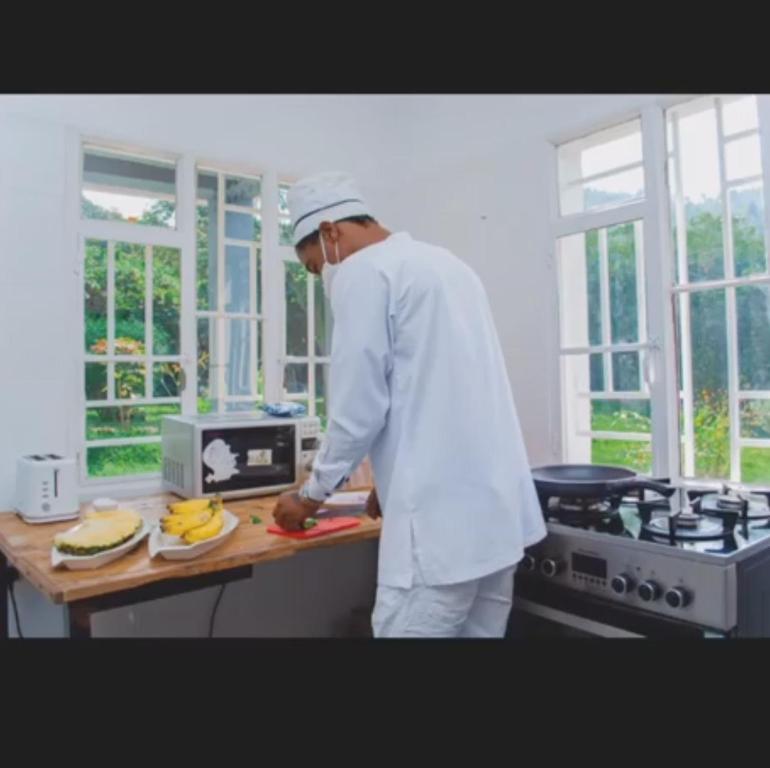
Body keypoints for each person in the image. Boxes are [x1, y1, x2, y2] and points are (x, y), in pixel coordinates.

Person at [272, 171, 546, 638]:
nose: (324, 277)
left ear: (329, 232)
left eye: (317, 266)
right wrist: (392, 479)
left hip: (439, 538)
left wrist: (309, 495)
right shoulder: (449, 266)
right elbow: (441, 393)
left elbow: (358, 408)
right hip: (497, 523)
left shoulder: (363, 272)